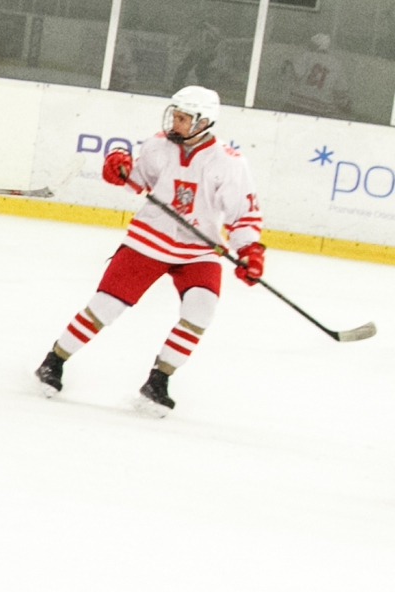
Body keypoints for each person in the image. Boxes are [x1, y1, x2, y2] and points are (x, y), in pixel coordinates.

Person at [34, 86, 262, 414]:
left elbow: (244, 215)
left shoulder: (229, 163)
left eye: (184, 118)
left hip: (198, 249)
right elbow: (134, 179)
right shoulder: (159, 145)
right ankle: (53, 361)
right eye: (176, 116)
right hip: (148, 239)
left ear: (204, 122)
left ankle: (158, 381)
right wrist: (119, 167)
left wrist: (249, 252)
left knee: (201, 310)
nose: (176, 123)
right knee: (105, 307)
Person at [280, 33, 351, 117]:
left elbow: (294, 74)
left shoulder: (306, 56)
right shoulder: (336, 63)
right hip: (321, 109)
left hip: (297, 104)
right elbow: (340, 91)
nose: (308, 46)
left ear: (317, 45)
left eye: (311, 44)